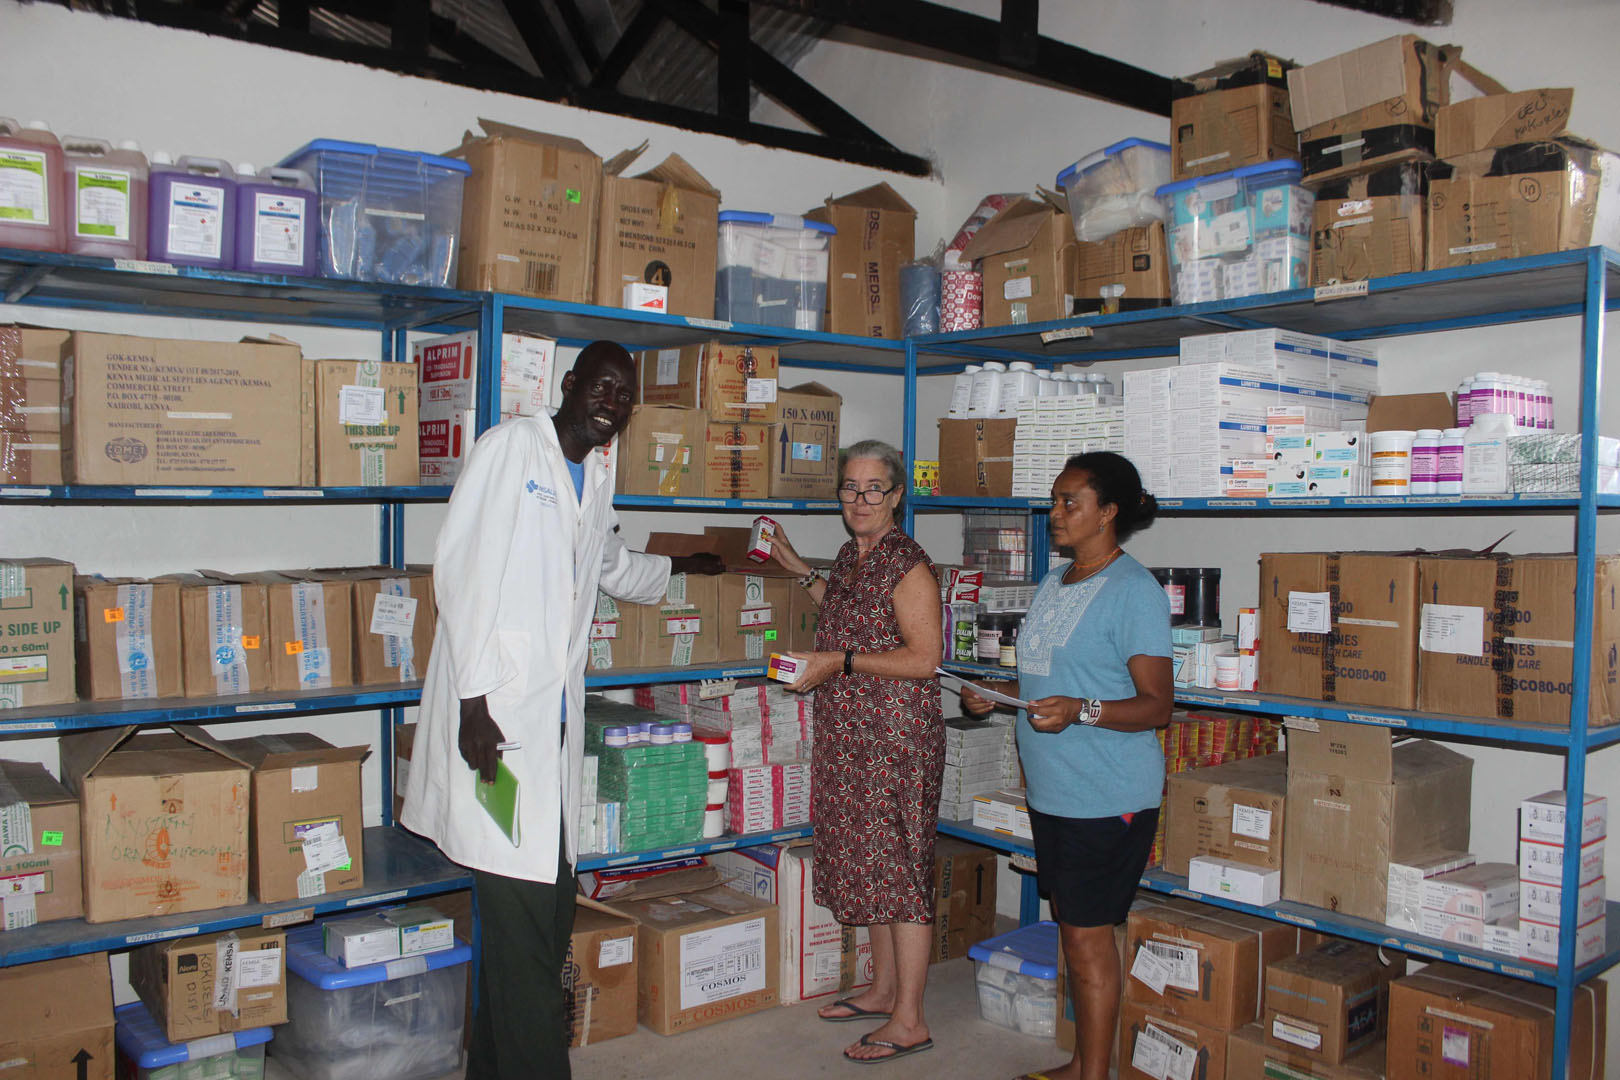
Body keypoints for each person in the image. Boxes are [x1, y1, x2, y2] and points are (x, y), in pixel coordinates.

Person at [400, 341, 721, 1080]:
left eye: (625, 395)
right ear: (570, 385)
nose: (613, 403)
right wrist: (472, 702)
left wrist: (681, 566)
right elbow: (461, 571)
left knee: (546, 915)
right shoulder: (512, 449)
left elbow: (608, 564)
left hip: (549, 725)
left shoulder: (596, 474)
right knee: (525, 934)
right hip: (495, 723)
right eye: (602, 387)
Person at [961, 452, 1172, 1080]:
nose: (1054, 512)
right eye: (1055, 500)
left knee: (1087, 938)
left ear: (1107, 512)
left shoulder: (1134, 592)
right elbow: (1045, 681)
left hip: (1107, 795)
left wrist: (1081, 710)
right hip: (1054, 792)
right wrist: (994, 693)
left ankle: (1094, 1074)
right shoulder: (1057, 581)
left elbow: (1157, 705)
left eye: (1069, 502)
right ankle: (1084, 1062)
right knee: (1075, 933)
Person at [768, 439, 945, 1065]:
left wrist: (836, 661)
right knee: (870, 865)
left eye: (874, 488)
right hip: (850, 738)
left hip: (895, 740)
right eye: (850, 487)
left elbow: (924, 659)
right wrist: (799, 569)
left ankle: (910, 1020)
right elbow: (850, 611)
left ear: (896, 495)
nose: (860, 499)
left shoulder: (908, 564)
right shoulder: (853, 554)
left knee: (901, 872)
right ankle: (882, 990)